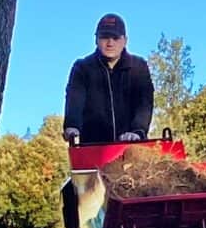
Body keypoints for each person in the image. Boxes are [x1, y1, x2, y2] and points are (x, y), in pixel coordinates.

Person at [63, 13, 154, 144]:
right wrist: (72, 125)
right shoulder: (82, 68)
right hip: (93, 147)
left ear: (125, 40)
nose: (110, 43)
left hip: (131, 147)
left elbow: (145, 103)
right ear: (96, 39)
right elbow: (74, 99)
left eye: (116, 38)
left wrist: (138, 131)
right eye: (104, 37)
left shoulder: (138, 67)